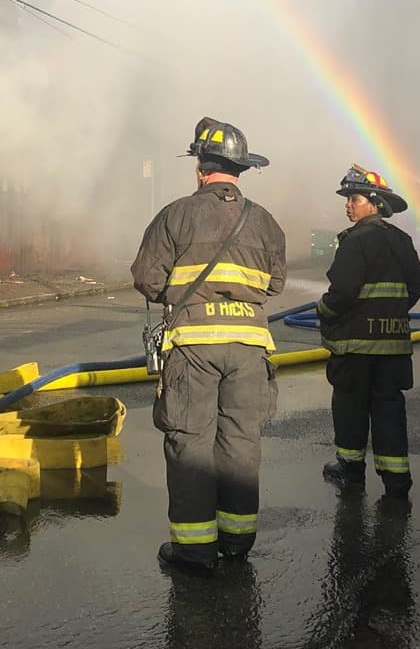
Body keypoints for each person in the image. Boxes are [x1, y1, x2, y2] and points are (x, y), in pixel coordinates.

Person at [132, 118, 286, 574]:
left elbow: (146, 278)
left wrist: (183, 296)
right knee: (241, 441)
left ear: (201, 167)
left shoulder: (176, 214)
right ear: (239, 170)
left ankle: (194, 551)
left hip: (194, 347)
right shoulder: (265, 222)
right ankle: (236, 542)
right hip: (250, 346)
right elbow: (274, 284)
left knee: (191, 443)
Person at [317, 165, 420, 498]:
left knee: (350, 409)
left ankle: (351, 473)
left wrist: (323, 309)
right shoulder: (401, 240)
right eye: (348, 198)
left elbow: (344, 292)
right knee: (389, 411)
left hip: (356, 349)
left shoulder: (355, 241)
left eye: (355, 198)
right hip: (393, 348)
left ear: (375, 203)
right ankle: (396, 481)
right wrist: (391, 313)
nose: (348, 205)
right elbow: (417, 284)